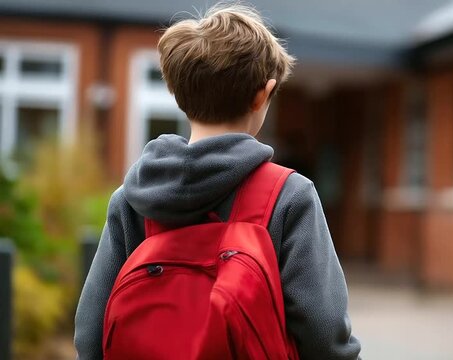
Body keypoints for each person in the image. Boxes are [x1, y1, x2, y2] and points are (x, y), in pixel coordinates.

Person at [74, 4, 361, 360]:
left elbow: (90, 336)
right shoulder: (289, 196)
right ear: (263, 94)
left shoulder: (133, 198)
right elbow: (323, 335)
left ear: (180, 95)